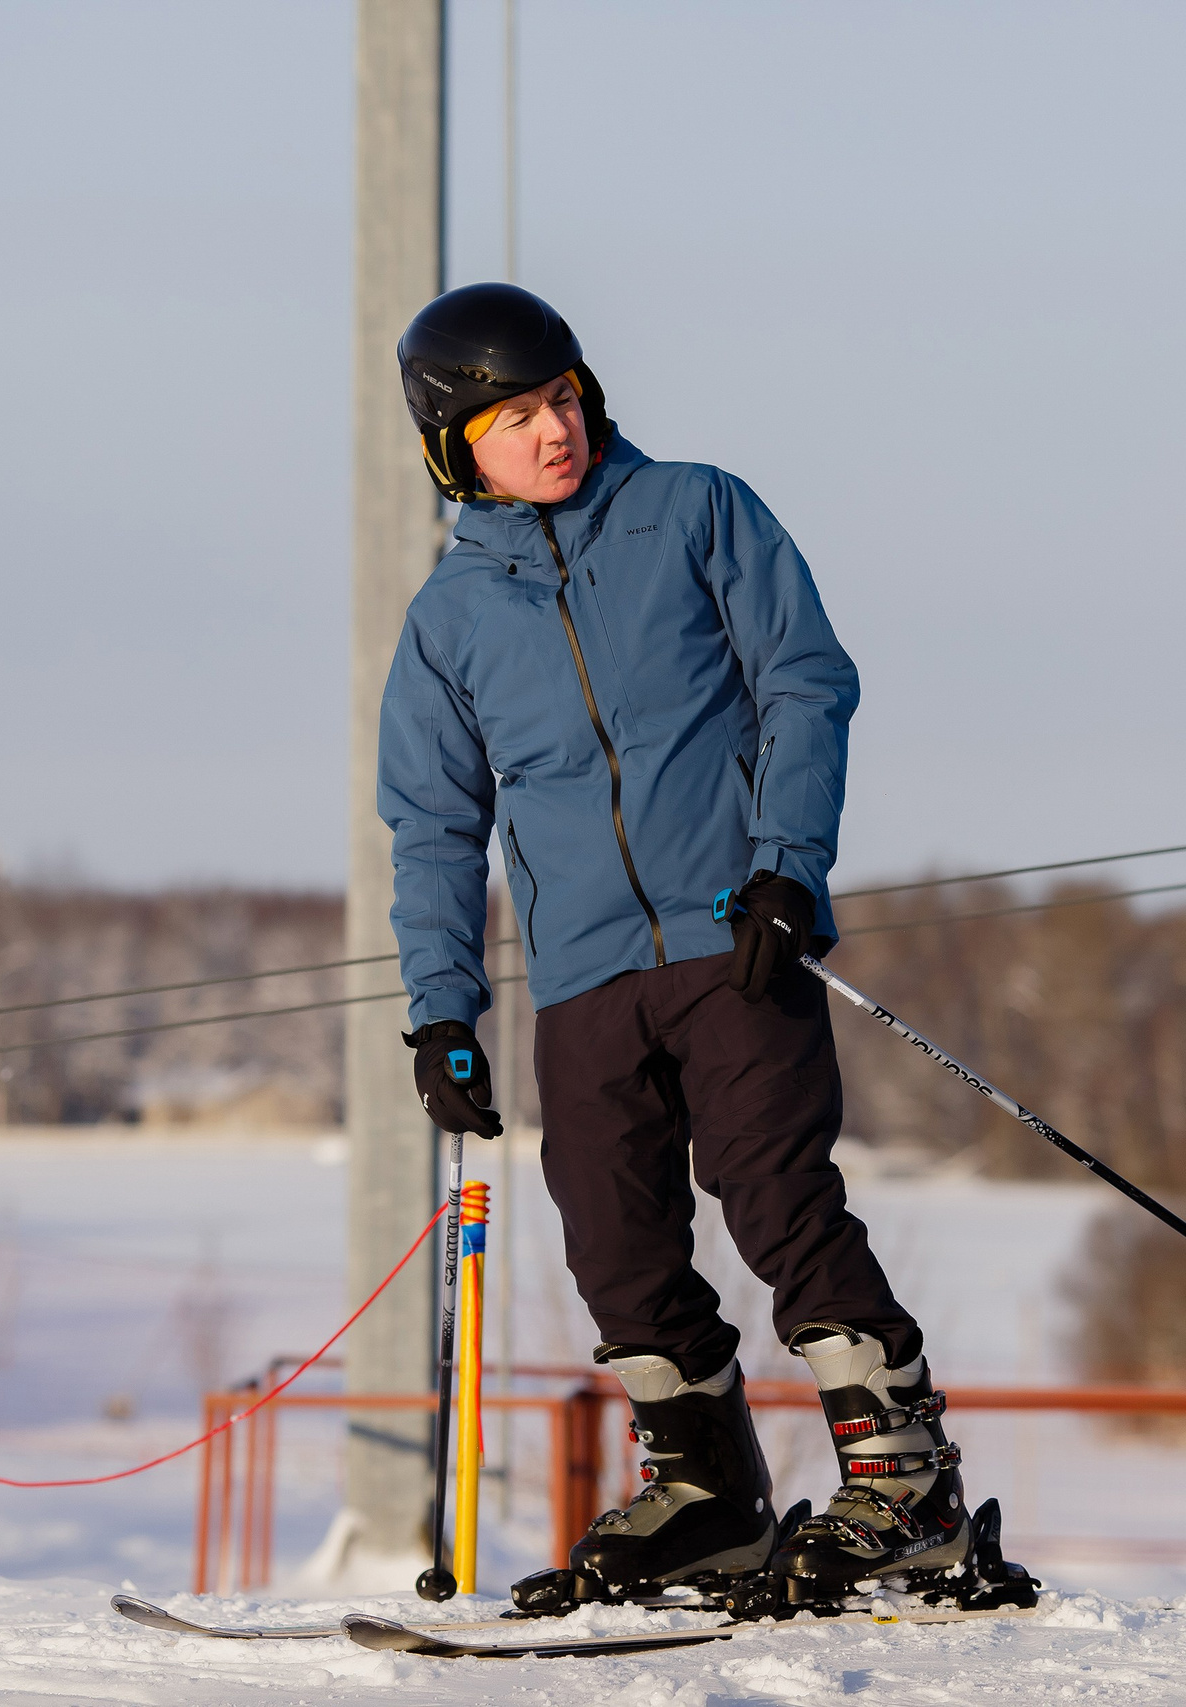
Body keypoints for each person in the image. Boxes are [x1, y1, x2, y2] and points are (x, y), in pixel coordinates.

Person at [377, 282, 983, 1612]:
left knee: (775, 1196)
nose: (553, 429)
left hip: (733, 939)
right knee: (612, 1237)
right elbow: (433, 827)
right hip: (584, 975)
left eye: (562, 397)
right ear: (454, 448)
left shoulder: (697, 511)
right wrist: (443, 1011)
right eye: (513, 417)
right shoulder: (449, 621)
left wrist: (786, 867)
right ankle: (708, 1498)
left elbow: (804, 681)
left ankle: (906, 1485)